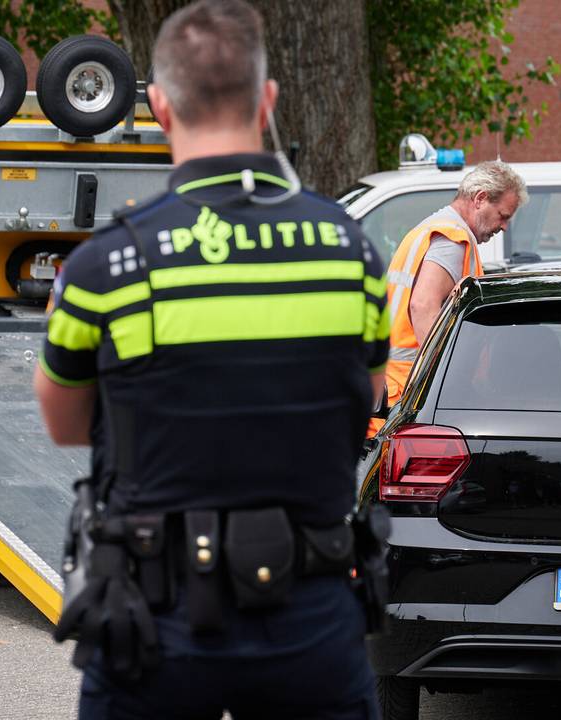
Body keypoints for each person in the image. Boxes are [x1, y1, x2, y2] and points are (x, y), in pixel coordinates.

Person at [33, 2, 388, 717]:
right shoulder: (352, 253)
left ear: (160, 107)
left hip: (153, 621)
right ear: (268, 101)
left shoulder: (106, 267)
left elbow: (67, 426)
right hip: (311, 613)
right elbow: (364, 402)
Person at [371, 161, 527, 434]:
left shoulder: (429, 229)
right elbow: (423, 307)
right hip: (410, 397)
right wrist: (448, 383)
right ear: (480, 199)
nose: (503, 227)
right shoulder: (452, 238)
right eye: (502, 215)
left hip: (392, 389)